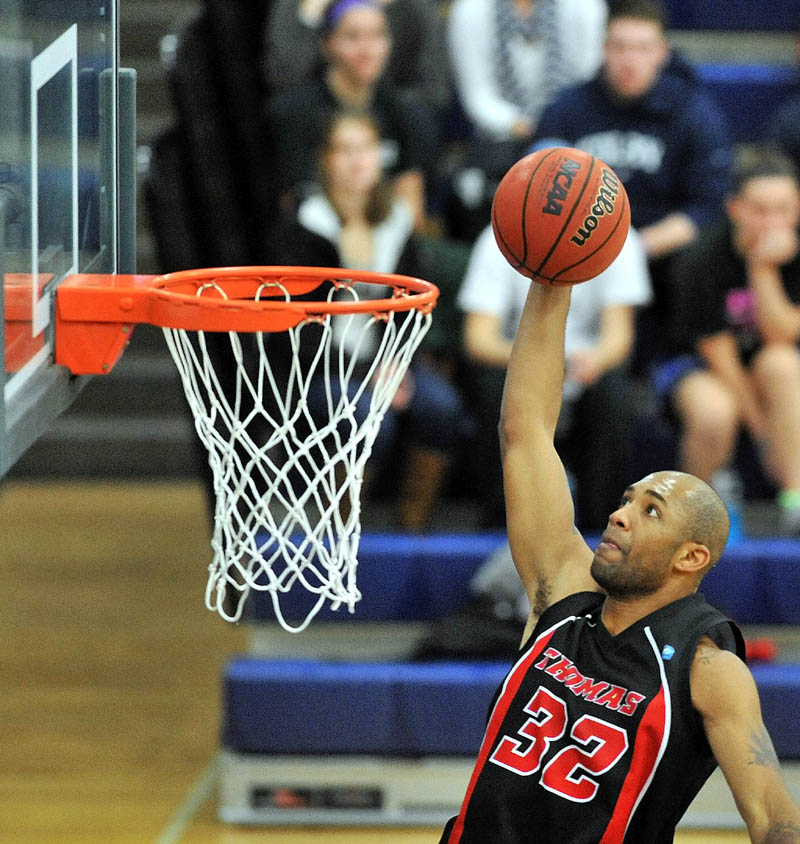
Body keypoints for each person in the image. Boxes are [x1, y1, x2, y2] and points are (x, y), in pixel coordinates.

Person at [439, 270, 800, 842]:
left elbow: (772, 816)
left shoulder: (708, 670)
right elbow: (526, 429)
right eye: (627, 499)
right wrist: (551, 280)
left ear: (690, 557)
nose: (619, 513)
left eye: (651, 510)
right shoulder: (562, 590)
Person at [268, 111, 470, 531]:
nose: (357, 160)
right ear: (326, 159)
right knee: (367, 418)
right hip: (317, 368)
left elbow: (411, 309)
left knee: (443, 408)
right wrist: (368, 372)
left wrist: (399, 367)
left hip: (386, 364)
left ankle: (412, 527)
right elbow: (296, 326)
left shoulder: (396, 220)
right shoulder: (304, 224)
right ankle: (340, 529)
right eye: (345, 150)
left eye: (366, 149)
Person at [533, 0, 732, 365]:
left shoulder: (693, 112)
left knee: (696, 260)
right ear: (604, 48)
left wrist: (633, 249)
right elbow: (537, 186)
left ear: (662, 53)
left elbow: (706, 207)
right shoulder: (567, 108)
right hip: (576, 246)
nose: (630, 59)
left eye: (642, 48)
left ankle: (669, 363)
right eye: (619, 46)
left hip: (654, 250)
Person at [457, 223, 651, 530]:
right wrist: (541, 364)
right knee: (496, 392)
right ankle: (501, 524)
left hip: (585, 365)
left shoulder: (619, 234)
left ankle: (600, 528)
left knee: (614, 398)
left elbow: (620, 338)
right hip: (520, 361)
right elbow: (478, 339)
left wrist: (594, 361)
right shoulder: (501, 234)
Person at [660, 144, 800, 536]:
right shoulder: (701, 258)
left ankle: (795, 500)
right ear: (735, 208)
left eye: (783, 209)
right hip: (700, 366)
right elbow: (718, 356)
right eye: (760, 210)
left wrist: (761, 266)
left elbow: (782, 334)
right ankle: (690, 520)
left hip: (771, 362)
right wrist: (764, 436)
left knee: (782, 363)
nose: (772, 222)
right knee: (714, 411)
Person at [267, 0, 439, 229]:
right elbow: (291, 206)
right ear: (328, 43)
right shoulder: (295, 114)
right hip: (319, 240)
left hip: (386, 241)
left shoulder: (407, 115)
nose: (367, 50)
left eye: (377, 35)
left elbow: (412, 209)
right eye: (353, 36)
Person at [445, 0, 607, 240]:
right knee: (473, 192)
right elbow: (477, 97)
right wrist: (526, 127)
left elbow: (588, 79)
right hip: (501, 139)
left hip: (572, 132)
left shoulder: (585, 7)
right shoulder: (470, 9)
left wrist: (554, 124)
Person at [262, 0, 451, 114]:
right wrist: (310, 17)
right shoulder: (298, 6)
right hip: (320, 125)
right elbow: (283, 79)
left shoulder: (412, 8)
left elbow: (434, 90)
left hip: (394, 123)